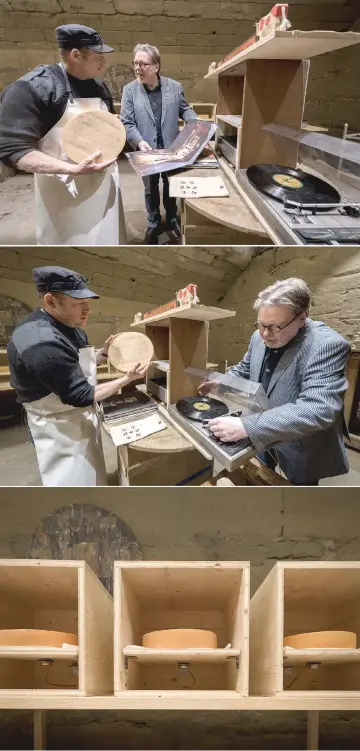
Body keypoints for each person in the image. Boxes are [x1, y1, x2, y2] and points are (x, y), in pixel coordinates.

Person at [199, 278, 351, 485]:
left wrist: (247, 426)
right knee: (259, 477)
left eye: (275, 327)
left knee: (298, 496)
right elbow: (244, 368)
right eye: (261, 324)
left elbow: (319, 408)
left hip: (301, 441)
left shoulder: (327, 345)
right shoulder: (258, 336)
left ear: (302, 317)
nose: (265, 334)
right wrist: (221, 382)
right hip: (262, 425)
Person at [7, 266, 149, 487]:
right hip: (58, 426)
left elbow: (73, 362)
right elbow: (80, 395)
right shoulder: (41, 342)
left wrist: (102, 353)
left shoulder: (70, 326)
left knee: (93, 472)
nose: (86, 311)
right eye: (77, 305)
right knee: (72, 483)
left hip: (78, 415)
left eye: (87, 304)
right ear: (51, 301)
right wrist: (126, 379)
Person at [0, 24, 127, 245]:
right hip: (64, 194)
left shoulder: (100, 88)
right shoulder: (34, 88)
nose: (104, 63)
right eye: (98, 57)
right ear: (76, 55)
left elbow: (111, 130)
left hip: (104, 187)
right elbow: (14, 150)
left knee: (108, 238)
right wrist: (73, 169)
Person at [120, 43, 197, 244]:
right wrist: (139, 141)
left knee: (171, 185)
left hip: (172, 148)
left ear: (156, 66)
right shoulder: (129, 91)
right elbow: (127, 121)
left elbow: (185, 110)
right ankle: (153, 222)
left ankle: (172, 218)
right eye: (135, 63)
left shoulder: (174, 87)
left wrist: (195, 123)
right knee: (150, 189)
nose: (138, 68)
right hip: (147, 150)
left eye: (143, 64)